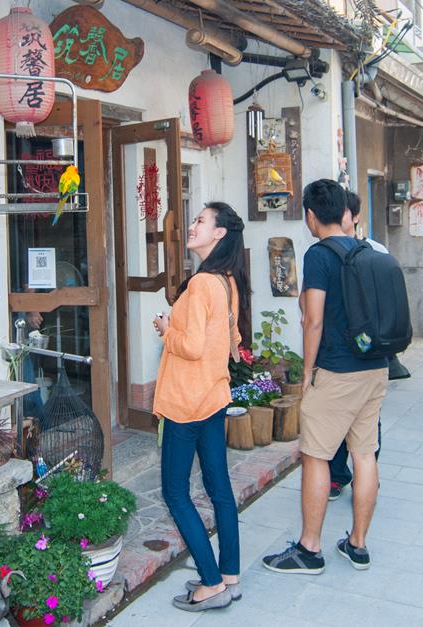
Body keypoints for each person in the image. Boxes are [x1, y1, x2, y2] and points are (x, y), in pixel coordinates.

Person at [263, 180, 391, 575]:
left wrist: (307, 372)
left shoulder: (319, 255)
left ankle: (310, 549)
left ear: (312, 216)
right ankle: (358, 544)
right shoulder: (365, 249)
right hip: (375, 367)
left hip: (335, 371)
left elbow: (313, 320)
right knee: (364, 454)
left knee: (316, 456)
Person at [152, 202, 249, 612]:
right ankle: (229, 575)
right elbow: (234, 341)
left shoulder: (201, 285)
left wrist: (165, 329)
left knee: (175, 492)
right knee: (219, 488)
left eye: (200, 221)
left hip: (185, 403)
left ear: (219, 234)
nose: (192, 226)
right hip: (213, 397)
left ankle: (210, 583)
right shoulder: (227, 281)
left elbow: (190, 346)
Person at [327, 191, 384, 501]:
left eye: (344, 212)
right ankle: (338, 476)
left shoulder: (374, 251)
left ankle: (367, 476)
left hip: (366, 354)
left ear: (355, 217)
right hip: (336, 355)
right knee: (335, 422)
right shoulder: (323, 253)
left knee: (366, 426)